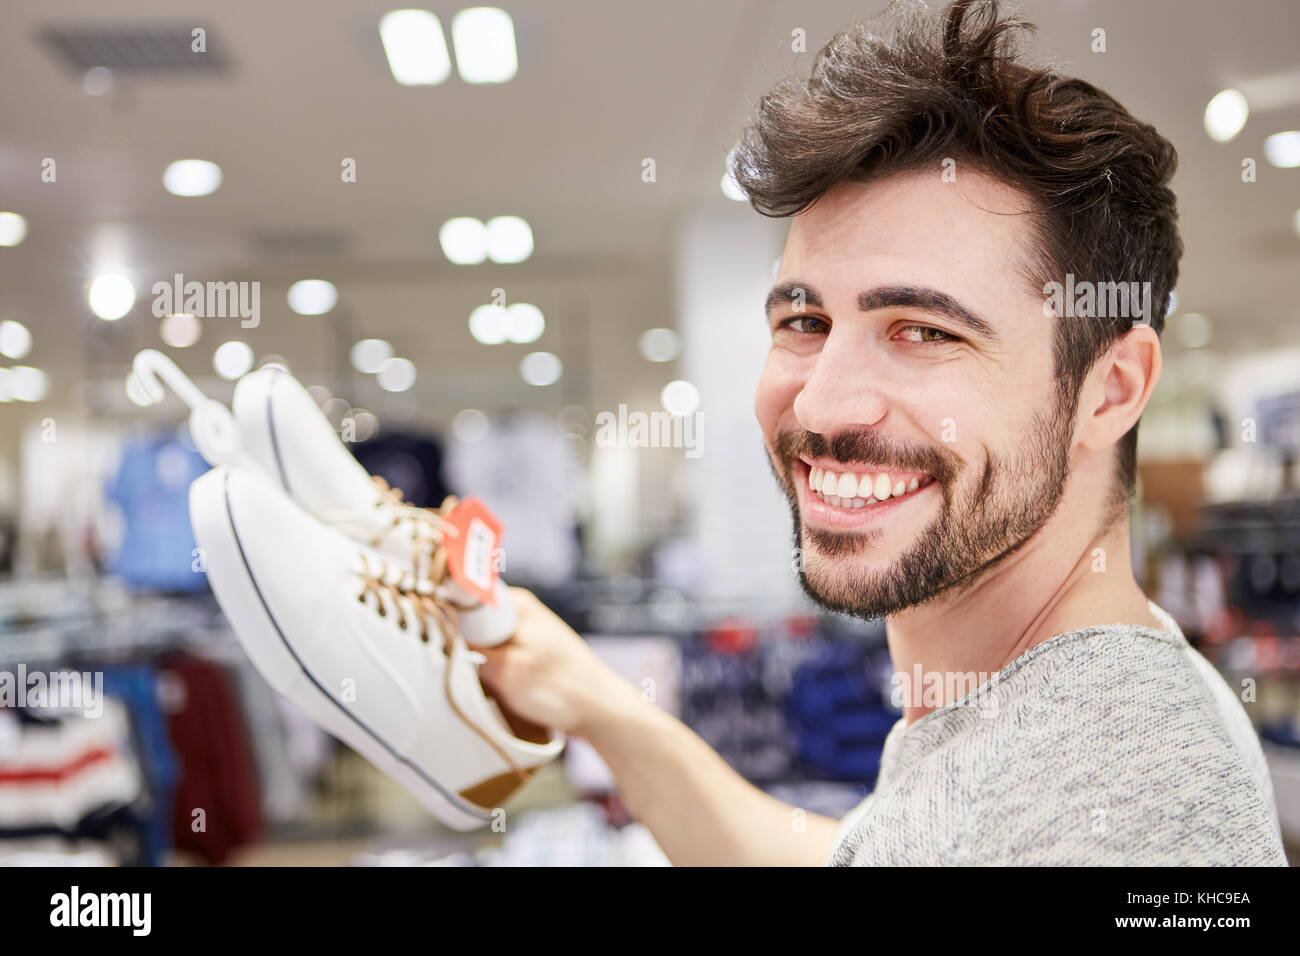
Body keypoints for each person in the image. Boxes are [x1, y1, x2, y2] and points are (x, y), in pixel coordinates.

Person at [477, 0, 1287, 865]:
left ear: (1109, 390)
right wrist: (597, 702)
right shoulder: (1048, 718)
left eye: (924, 331)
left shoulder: (1121, 814)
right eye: (804, 322)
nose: (822, 407)